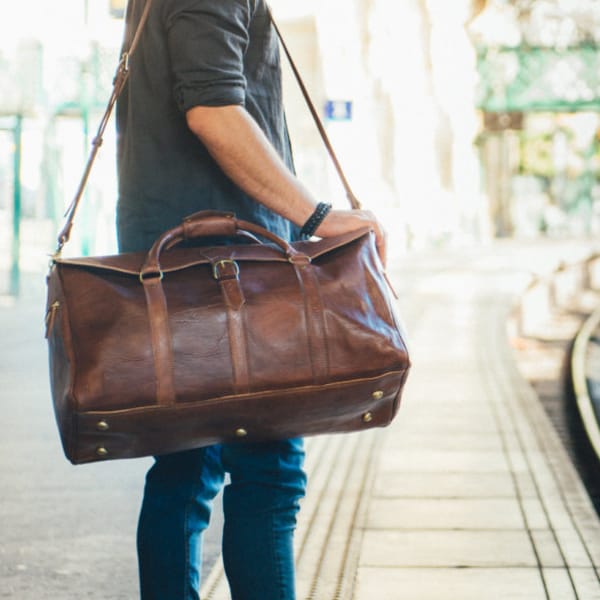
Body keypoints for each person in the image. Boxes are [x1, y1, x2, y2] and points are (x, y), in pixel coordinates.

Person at [116, 1, 387, 599]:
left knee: (185, 471)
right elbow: (212, 110)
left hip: (179, 266)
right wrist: (317, 216)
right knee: (268, 474)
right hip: (226, 271)